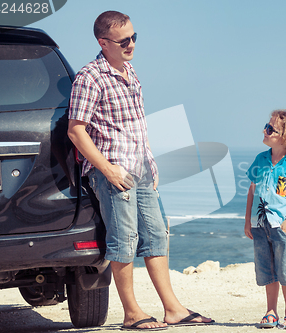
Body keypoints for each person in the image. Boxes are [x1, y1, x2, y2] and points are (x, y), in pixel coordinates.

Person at [68, 10, 214, 330]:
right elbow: (76, 130)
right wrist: (108, 170)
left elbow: (135, 126)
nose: (131, 44)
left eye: (134, 37)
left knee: (156, 237)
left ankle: (173, 309)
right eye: (123, 41)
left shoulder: (131, 72)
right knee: (124, 241)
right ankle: (132, 313)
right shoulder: (90, 77)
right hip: (114, 173)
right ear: (103, 43)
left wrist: (150, 161)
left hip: (142, 170)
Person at [244, 110, 286, 329]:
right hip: (259, 225)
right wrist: (247, 221)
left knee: (285, 268)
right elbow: (252, 189)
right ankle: (270, 311)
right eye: (267, 125)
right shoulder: (261, 159)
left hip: (283, 227)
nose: (265, 130)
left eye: (271, 129)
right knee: (267, 269)